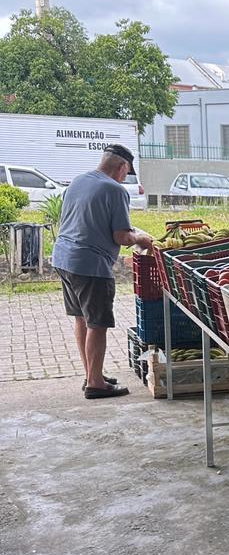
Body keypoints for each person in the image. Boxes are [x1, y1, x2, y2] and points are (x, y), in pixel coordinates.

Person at [52, 145, 154, 399]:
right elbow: (121, 235)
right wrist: (143, 237)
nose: (124, 177)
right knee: (97, 323)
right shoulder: (114, 189)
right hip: (90, 265)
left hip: (63, 258)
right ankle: (96, 384)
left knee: (81, 318)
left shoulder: (78, 181)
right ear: (121, 167)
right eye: (126, 172)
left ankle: (91, 374)